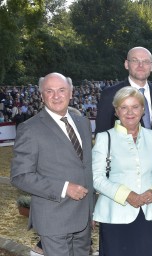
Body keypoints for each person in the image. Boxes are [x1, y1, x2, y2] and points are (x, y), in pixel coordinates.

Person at [94, 46, 152, 255]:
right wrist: (120, 193)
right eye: (135, 60)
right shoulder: (109, 94)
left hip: (151, 195)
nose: (141, 65)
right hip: (117, 201)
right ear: (126, 64)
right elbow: (101, 147)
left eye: (146, 61)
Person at [11, 72, 94, 256]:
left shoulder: (83, 123)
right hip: (53, 218)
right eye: (50, 91)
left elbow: (85, 167)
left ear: (71, 93)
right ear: (42, 96)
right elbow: (20, 176)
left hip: (83, 218)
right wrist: (64, 188)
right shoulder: (30, 128)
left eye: (62, 90)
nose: (56, 96)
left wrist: (91, 210)